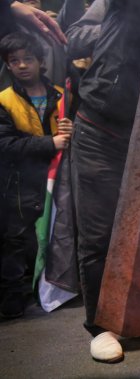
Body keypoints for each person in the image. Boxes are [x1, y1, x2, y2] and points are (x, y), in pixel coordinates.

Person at [67, 0, 140, 363]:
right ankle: (100, 326)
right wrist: (113, 34)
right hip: (100, 130)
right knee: (99, 234)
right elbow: (73, 38)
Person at [0, 31, 71, 318]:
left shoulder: (61, 94)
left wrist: (70, 133)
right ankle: (14, 301)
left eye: (28, 59)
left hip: (56, 181)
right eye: (13, 61)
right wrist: (49, 143)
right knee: (16, 242)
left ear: (41, 61)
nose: (21, 65)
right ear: (7, 65)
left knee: (54, 236)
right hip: (18, 185)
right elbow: (4, 144)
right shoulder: (4, 100)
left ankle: (51, 290)